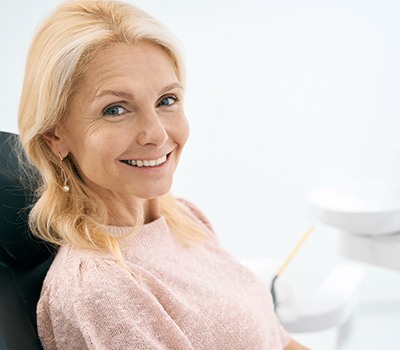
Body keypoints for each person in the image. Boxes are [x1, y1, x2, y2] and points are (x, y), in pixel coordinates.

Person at [18, 1, 308, 349]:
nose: (155, 133)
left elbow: (278, 340)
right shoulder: (100, 288)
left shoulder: (183, 218)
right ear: (55, 135)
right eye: (115, 109)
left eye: (166, 100)